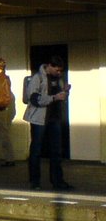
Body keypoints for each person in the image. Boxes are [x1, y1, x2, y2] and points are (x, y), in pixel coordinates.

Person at [23, 55, 72, 190]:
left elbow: (59, 96)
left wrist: (65, 92)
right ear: (50, 66)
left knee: (56, 151)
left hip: (54, 118)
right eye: (57, 70)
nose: (59, 73)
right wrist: (54, 97)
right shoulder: (37, 78)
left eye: (60, 71)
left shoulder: (59, 78)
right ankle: (35, 181)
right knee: (36, 150)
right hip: (39, 119)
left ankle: (58, 181)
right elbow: (33, 99)